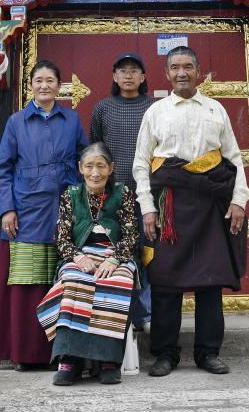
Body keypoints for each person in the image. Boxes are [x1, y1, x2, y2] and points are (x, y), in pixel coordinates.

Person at [131, 46, 249, 377]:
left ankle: (208, 352)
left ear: (198, 72)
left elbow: (234, 158)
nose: (181, 73)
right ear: (167, 73)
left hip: (210, 205)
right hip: (169, 204)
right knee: (165, 281)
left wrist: (238, 201)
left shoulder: (215, 109)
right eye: (175, 67)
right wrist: (147, 208)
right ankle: (165, 353)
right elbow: (141, 163)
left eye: (187, 67)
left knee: (210, 282)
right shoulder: (156, 112)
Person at [0, 59, 88, 369]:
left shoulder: (72, 119)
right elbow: (2, 170)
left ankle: (61, 353)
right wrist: (7, 209)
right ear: (31, 85)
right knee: (26, 284)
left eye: (50, 80)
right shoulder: (16, 122)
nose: (44, 86)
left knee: (61, 282)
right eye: (38, 80)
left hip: (64, 209)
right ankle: (25, 354)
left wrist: (84, 204)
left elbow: (85, 161)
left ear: (59, 86)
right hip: (26, 212)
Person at [36, 142, 139, 386]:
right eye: (89, 166)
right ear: (80, 168)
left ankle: (109, 361)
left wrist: (114, 259)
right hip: (80, 255)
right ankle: (70, 360)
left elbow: (132, 235)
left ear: (111, 168)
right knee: (73, 280)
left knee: (117, 282)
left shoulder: (122, 192)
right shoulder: (70, 194)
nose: (95, 173)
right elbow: (61, 238)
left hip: (115, 256)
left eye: (101, 166)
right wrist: (77, 257)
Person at [89, 52, 155, 330]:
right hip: (112, 197)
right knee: (116, 252)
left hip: (148, 196)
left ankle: (146, 315)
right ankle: (117, 313)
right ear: (115, 77)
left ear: (143, 77)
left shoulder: (155, 108)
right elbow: (96, 150)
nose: (128, 75)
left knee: (148, 253)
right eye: (123, 71)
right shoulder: (102, 109)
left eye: (134, 70)